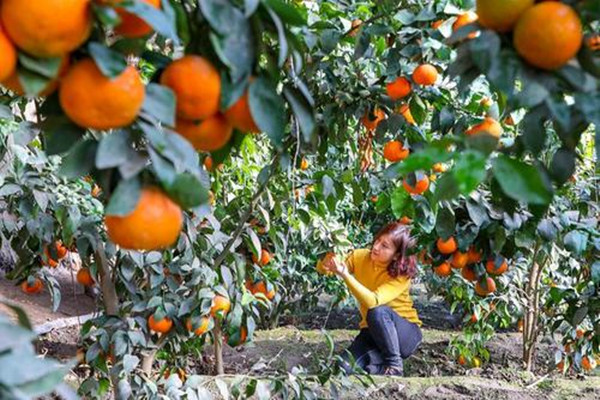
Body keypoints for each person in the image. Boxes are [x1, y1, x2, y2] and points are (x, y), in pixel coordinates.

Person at [318, 221, 422, 376]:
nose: (376, 247)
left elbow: (372, 301)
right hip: (372, 333)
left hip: (404, 335)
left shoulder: (401, 275)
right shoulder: (360, 257)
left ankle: (395, 366)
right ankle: (375, 369)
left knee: (377, 312)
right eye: (377, 240)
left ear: (397, 255)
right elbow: (325, 270)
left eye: (385, 246)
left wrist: (345, 275)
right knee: (342, 368)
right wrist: (328, 261)